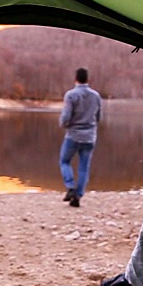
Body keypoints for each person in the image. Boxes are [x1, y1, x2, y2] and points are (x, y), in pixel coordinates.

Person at [58, 67, 102, 207]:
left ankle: (70, 186)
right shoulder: (96, 96)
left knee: (64, 161)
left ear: (75, 79)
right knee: (84, 167)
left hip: (73, 135)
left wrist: (63, 124)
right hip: (90, 137)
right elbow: (99, 117)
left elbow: (65, 117)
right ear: (88, 80)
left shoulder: (71, 95)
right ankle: (78, 197)